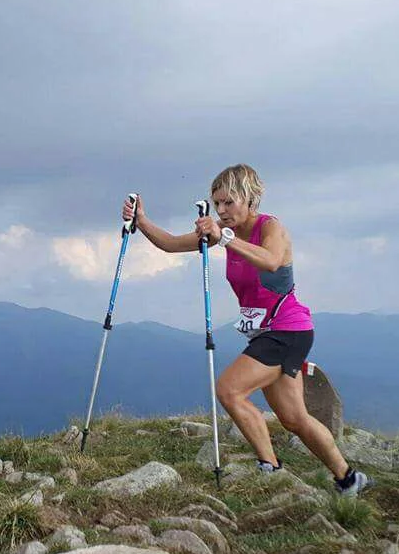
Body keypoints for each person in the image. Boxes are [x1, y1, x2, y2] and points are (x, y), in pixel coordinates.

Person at [122, 163, 372, 497]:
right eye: (217, 204)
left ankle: (270, 469)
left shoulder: (271, 228)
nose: (222, 211)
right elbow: (169, 244)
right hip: (266, 333)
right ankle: (349, 479)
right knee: (294, 418)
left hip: (287, 329)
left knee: (229, 390)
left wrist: (223, 238)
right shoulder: (228, 234)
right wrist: (142, 221)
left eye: (229, 202)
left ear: (249, 199)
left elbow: (270, 260)